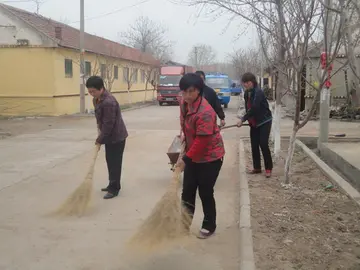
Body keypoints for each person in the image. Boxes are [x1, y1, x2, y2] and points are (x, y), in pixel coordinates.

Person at [176, 73, 225, 239]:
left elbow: (202, 142)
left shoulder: (205, 112)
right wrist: (184, 139)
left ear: (198, 91)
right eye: (184, 92)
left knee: (205, 191)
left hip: (210, 157)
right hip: (192, 153)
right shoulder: (184, 104)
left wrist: (185, 160)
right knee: (187, 191)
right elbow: (184, 124)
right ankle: (184, 224)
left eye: (191, 91)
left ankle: (209, 225)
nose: (187, 95)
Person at [86, 76, 128, 199]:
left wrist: (100, 139)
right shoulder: (97, 99)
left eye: (93, 91)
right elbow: (101, 121)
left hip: (116, 137)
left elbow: (109, 124)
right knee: (110, 161)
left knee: (115, 162)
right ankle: (111, 184)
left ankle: (114, 189)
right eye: (89, 91)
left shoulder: (109, 102)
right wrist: (100, 134)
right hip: (108, 136)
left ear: (101, 88)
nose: (92, 94)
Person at [237, 72, 273, 178]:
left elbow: (255, 108)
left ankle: (268, 168)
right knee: (254, 144)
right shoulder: (247, 93)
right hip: (254, 122)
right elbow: (248, 108)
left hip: (264, 121)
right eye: (244, 83)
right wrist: (248, 120)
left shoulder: (258, 92)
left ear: (252, 82)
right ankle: (257, 168)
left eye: (247, 82)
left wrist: (243, 119)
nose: (245, 85)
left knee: (263, 144)